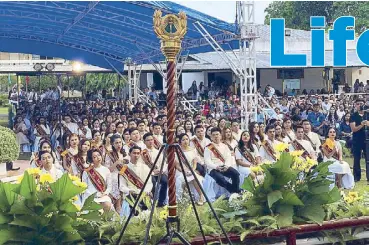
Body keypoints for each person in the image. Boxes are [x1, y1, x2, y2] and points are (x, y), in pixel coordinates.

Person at [204, 127, 240, 194]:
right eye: (213, 135)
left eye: (217, 134)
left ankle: (236, 191)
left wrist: (226, 166)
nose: (216, 136)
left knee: (235, 174)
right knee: (220, 179)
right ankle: (235, 191)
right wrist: (216, 167)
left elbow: (228, 157)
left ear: (220, 135)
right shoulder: (208, 147)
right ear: (211, 137)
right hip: (213, 168)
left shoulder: (225, 146)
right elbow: (207, 161)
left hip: (224, 166)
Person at [175, 133, 205, 205]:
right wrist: (184, 171)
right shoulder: (177, 152)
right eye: (183, 140)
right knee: (181, 179)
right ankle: (182, 198)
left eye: (187, 139)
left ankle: (201, 196)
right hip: (181, 171)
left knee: (194, 177)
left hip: (191, 170)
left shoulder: (193, 150)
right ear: (180, 141)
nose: (185, 141)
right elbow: (177, 166)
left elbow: (194, 163)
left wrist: (192, 170)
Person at [350, 99, 369, 182]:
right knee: (357, 159)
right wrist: (362, 124)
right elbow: (353, 129)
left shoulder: (367, 114)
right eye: (357, 104)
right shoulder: (353, 116)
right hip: (357, 140)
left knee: (368, 159)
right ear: (355, 105)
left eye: (361, 104)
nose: (359, 105)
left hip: (367, 140)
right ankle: (357, 177)